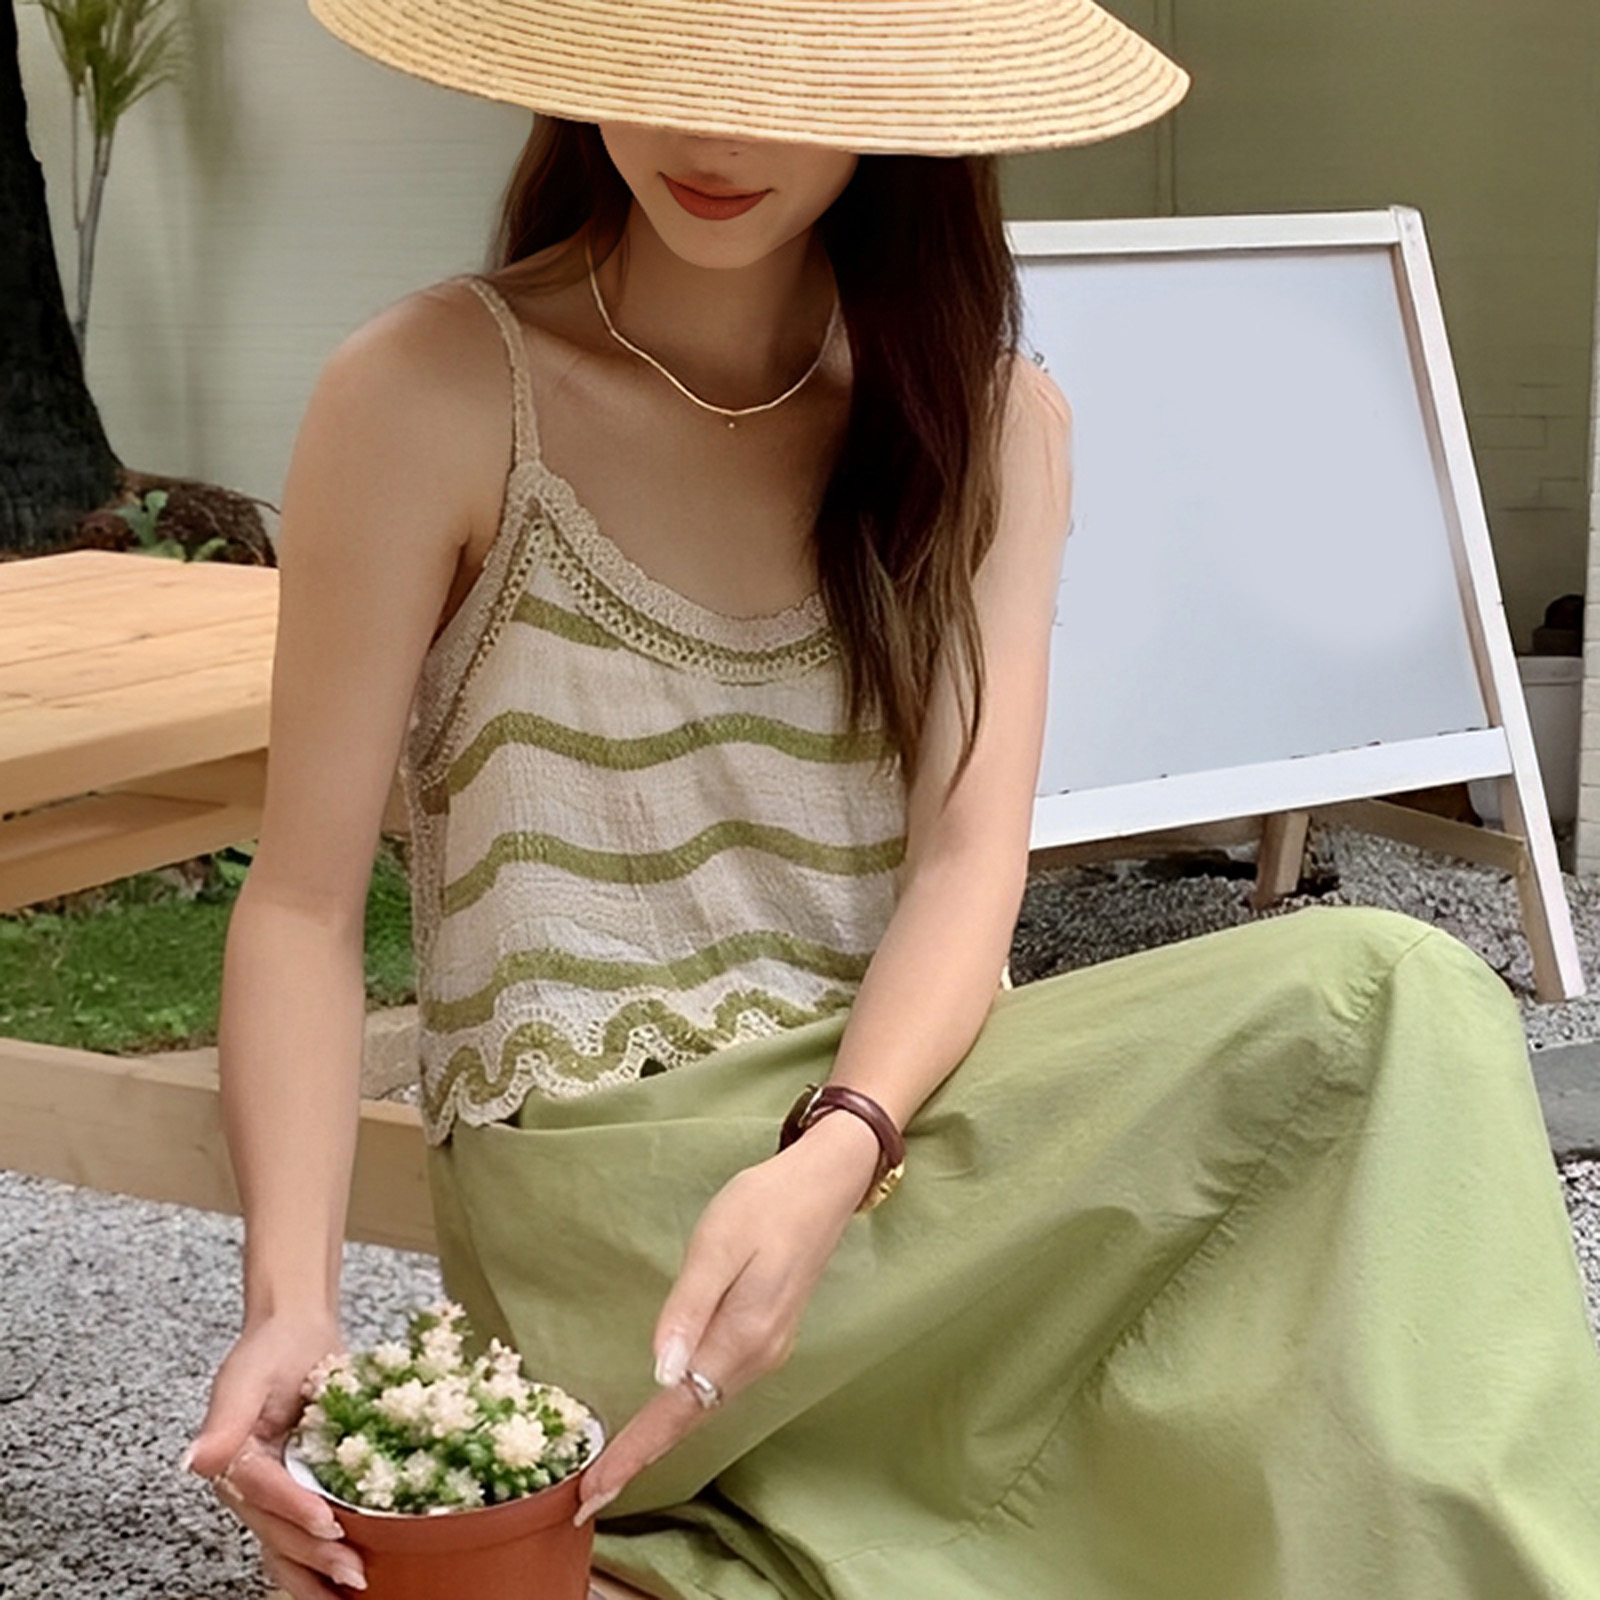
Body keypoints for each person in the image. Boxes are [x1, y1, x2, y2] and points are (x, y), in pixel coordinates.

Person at [181, 3, 1600, 1597]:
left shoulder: (987, 425)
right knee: (1380, 992)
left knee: (1398, 1049)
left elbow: (966, 867)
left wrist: (836, 1152)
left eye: (787, 79)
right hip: (623, 1230)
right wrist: (289, 1309)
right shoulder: (433, 390)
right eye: (673, 56)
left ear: (898, 98)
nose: (716, 134)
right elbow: (301, 903)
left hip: (878, 1158)